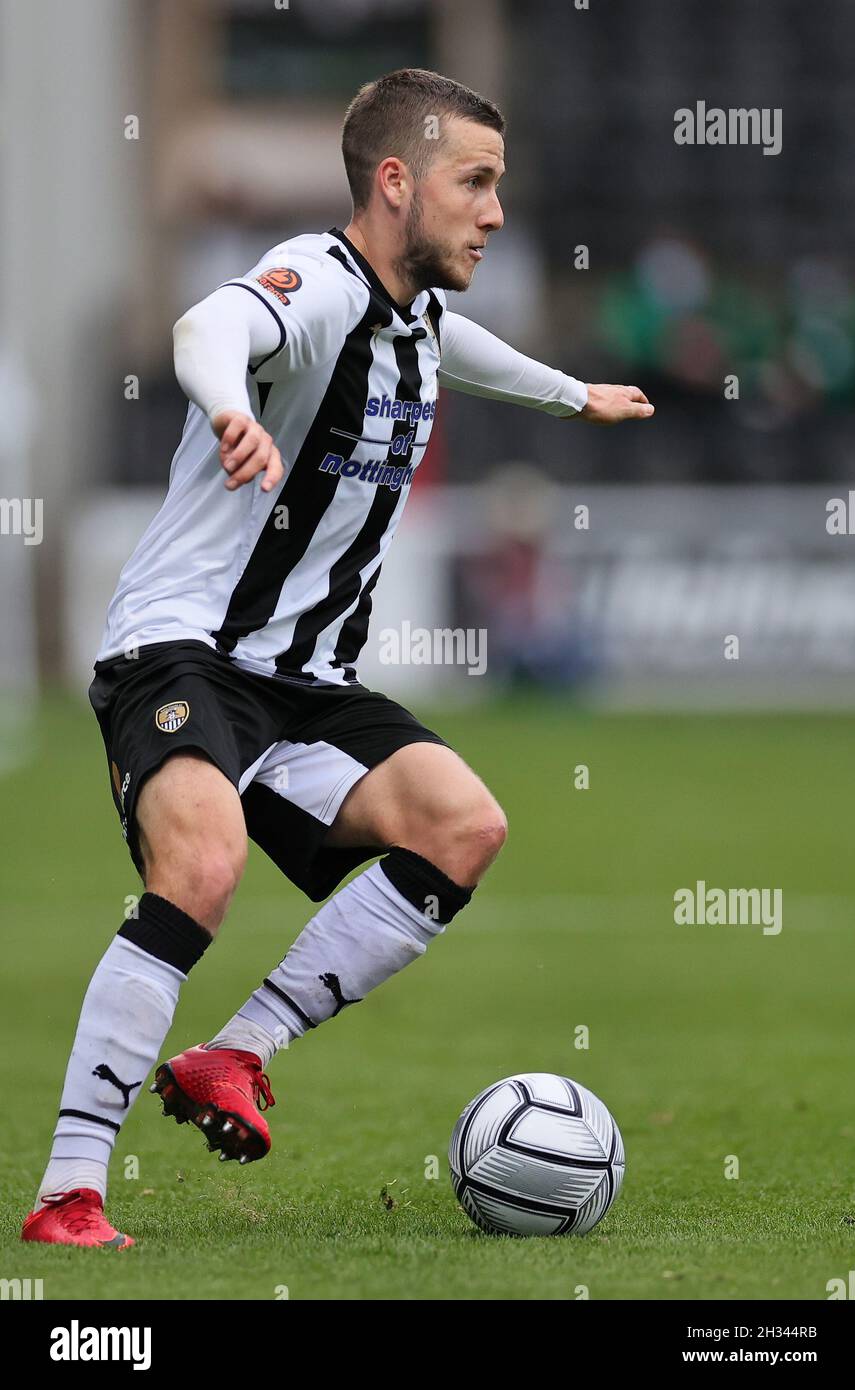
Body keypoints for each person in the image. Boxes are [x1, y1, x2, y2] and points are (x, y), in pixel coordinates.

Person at [22, 67, 652, 1248]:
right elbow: (210, 324)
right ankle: (68, 1192)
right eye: (476, 183)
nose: (496, 212)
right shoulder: (315, 280)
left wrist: (573, 396)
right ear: (396, 182)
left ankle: (233, 1054)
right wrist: (224, 404)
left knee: (463, 825)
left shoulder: (413, 316)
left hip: (302, 682)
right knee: (202, 865)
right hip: (186, 651)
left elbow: (460, 349)